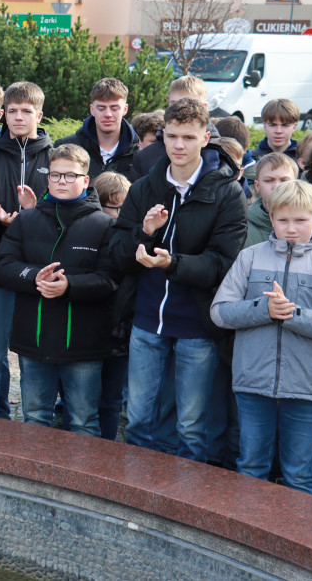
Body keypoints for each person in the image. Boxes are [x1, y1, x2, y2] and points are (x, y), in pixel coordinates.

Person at [109, 97, 248, 462]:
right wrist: (144, 233)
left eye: (188, 137)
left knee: (190, 427)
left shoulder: (227, 192)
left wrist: (173, 263)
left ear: (205, 138)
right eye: (171, 136)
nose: (179, 145)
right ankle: (136, 490)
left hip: (196, 324)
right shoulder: (143, 187)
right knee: (138, 419)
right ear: (163, 137)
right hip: (146, 320)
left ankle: (184, 494)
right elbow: (117, 252)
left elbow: (222, 264)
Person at [211, 179, 312, 494]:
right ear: (271, 217)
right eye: (283, 220)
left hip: (307, 387)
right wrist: (264, 309)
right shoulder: (249, 257)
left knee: (300, 475)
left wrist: (293, 314)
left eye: (300, 220)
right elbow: (220, 312)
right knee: (251, 467)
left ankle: (296, 529)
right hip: (253, 383)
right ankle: (247, 526)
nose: (291, 228)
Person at [0, 144, 117, 434]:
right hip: (34, 340)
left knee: (84, 420)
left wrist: (70, 286)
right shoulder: (27, 220)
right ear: (47, 178)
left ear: (85, 180)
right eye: (56, 175)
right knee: (35, 416)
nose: (62, 181)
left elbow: (111, 278)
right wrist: (34, 277)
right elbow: (3, 265)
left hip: (83, 344)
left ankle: (82, 467)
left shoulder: (103, 225)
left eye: (70, 176)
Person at [0, 81, 53, 418]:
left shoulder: (56, 158)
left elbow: (69, 212)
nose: (19, 117)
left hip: (40, 275)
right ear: (4, 114)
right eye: (13, 111)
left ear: (39, 115)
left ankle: (37, 424)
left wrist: (32, 217)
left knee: (37, 359)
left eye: (26, 111)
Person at [95, 170, 133, 441]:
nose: (119, 215)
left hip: (120, 330)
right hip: (93, 327)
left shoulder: (131, 235)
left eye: (124, 208)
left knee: (111, 398)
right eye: (114, 208)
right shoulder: (93, 231)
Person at [129, 75, 218, 182]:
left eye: (189, 104)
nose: (180, 110)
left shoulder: (222, 155)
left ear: (205, 107)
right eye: (174, 104)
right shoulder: (146, 157)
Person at [57, 77, 140, 178]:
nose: (108, 114)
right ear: (92, 109)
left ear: (125, 109)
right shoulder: (63, 149)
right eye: (101, 108)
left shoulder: (140, 157)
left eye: (114, 108)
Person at [246, 153, 312, 248]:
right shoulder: (243, 228)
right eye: (269, 180)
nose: (277, 186)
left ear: (296, 183)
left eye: (284, 180)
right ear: (257, 186)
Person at [249, 99, 299, 165]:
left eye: (285, 125)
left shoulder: (303, 159)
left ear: (294, 127)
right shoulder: (251, 160)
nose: (278, 131)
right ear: (264, 126)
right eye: (272, 125)